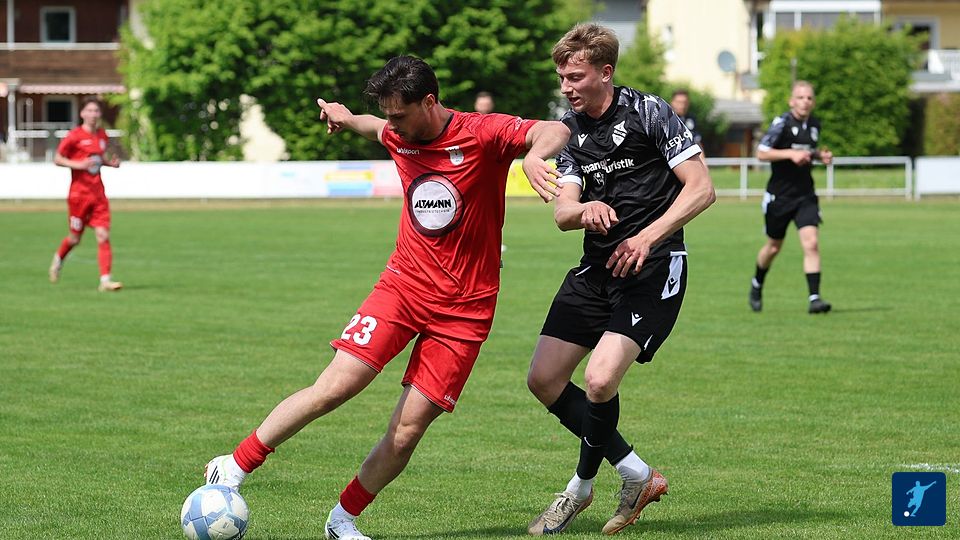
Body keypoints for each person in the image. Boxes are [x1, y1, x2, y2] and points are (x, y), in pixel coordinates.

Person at [202, 56, 569, 540]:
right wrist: (342, 115)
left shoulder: (481, 133)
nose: (392, 125)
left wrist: (535, 156)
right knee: (335, 386)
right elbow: (372, 125)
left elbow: (553, 129)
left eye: (399, 114)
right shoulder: (398, 134)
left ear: (429, 102)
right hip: (402, 289)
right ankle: (234, 465)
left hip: (466, 311)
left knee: (408, 429)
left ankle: (342, 520)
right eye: (388, 115)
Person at [525, 24, 715, 536]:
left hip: (653, 267)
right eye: (562, 77)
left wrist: (647, 237)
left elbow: (701, 189)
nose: (566, 87)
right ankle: (636, 474)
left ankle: (579, 488)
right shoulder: (571, 132)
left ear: (605, 73)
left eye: (575, 77)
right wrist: (583, 209)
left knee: (600, 378)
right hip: (596, 270)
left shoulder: (649, 112)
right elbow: (562, 213)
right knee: (543, 379)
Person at [749, 80, 833, 314]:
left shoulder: (814, 125)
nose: (805, 102)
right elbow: (761, 153)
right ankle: (757, 282)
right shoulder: (782, 123)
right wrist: (790, 154)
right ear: (791, 101)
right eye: (800, 97)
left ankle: (815, 299)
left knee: (811, 243)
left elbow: (806, 152)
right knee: (774, 247)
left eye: (809, 98)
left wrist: (819, 156)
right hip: (780, 196)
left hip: (805, 194)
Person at [48, 97, 123, 292]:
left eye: (96, 111)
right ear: (82, 113)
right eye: (89, 110)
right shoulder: (74, 136)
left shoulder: (102, 135)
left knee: (103, 235)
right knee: (74, 238)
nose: (93, 114)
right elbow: (57, 158)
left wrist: (110, 164)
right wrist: (78, 164)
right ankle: (58, 260)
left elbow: (98, 159)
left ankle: (105, 281)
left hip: (98, 194)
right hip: (78, 196)